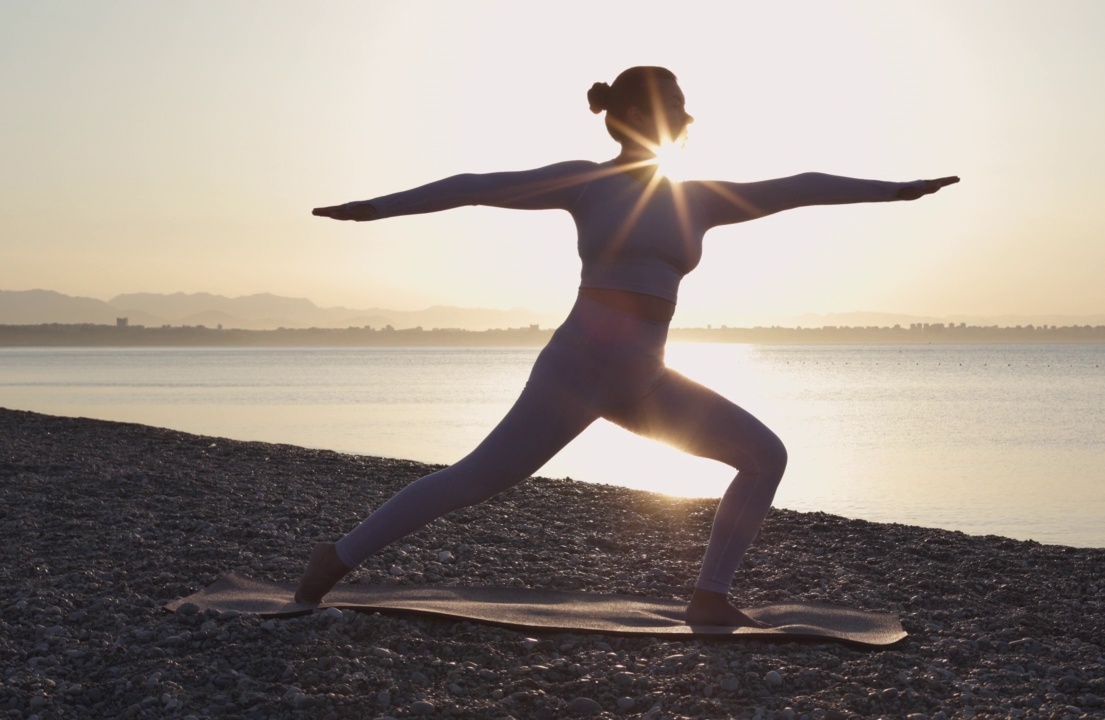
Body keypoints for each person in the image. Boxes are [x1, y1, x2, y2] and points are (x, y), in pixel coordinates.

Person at [298, 66, 959, 626]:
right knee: (475, 479)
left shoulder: (701, 201)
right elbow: (475, 187)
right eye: (676, 108)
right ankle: (336, 557)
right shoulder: (586, 183)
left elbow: (799, 186)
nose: (689, 118)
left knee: (764, 458)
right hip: (577, 368)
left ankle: (710, 597)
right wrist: (375, 207)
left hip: (645, 379)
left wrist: (895, 192)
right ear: (640, 114)